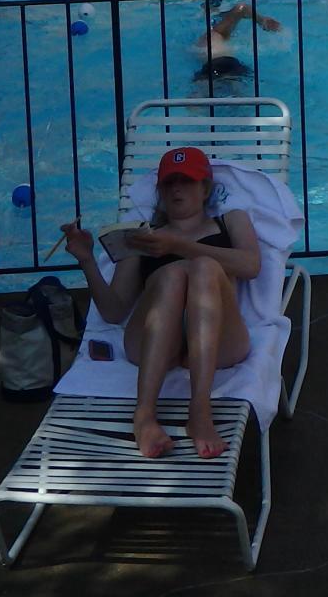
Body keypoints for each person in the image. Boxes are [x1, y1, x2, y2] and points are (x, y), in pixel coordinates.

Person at [62, 147, 263, 460]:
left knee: (204, 268)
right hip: (155, 343)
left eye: (187, 181)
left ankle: (200, 411)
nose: (177, 189)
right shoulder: (142, 237)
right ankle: (144, 415)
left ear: (205, 188)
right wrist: (87, 260)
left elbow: (251, 266)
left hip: (220, 341)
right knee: (171, 276)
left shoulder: (231, 221)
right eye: (169, 182)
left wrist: (179, 246)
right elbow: (114, 311)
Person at [197, 0, 284, 77]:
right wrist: (262, 20)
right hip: (225, 64)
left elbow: (241, 8)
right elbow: (242, 8)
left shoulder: (212, 34)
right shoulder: (217, 32)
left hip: (214, 67)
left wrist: (262, 21)